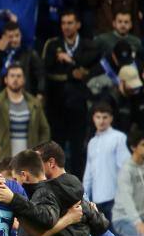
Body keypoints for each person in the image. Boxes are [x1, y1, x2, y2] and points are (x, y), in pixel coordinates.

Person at [42, 10, 100, 175]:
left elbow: (92, 67)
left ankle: (77, 183)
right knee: (56, 148)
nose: (66, 27)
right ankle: (55, 180)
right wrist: (73, 71)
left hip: (80, 106)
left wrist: (71, 62)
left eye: (70, 23)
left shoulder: (89, 45)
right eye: (63, 23)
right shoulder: (52, 45)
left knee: (78, 149)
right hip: (57, 106)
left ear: (78, 25)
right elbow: (46, 71)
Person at [0, 63, 50, 159]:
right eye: (12, 76)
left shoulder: (34, 103)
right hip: (2, 159)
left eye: (19, 76)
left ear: (24, 80)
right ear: (5, 79)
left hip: (28, 159)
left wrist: (40, 151)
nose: (15, 79)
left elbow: (44, 129)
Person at [83, 103, 130, 222]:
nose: (101, 121)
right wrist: (84, 199)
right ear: (93, 118)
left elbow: (125, 168)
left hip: (115, 198)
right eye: (98, 117)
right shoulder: (92, 143)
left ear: (111, 118)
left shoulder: (119, 138)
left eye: (105, 117)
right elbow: (88, 174)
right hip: (96, 200)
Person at [0, 22, 46, 97]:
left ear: (21, 35)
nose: (15, 40)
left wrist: (40, 93)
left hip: (23, 96)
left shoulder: (29, 54)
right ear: (4, 37)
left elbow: (41, 75)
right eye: (10, 37)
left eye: (17, 36)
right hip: (0, 98)